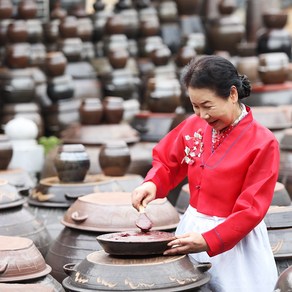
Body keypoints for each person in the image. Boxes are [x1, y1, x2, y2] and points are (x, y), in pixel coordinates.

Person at [131, 55, 280, 292]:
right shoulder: (195, 125)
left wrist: (209, 240)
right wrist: (152, 184)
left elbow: (251, 210)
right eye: (195, 106)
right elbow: (168, 163)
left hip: (235, 241)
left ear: (232, 95)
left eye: (208, 106)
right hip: (191, 229)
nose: (202, 115)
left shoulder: (263, 142)